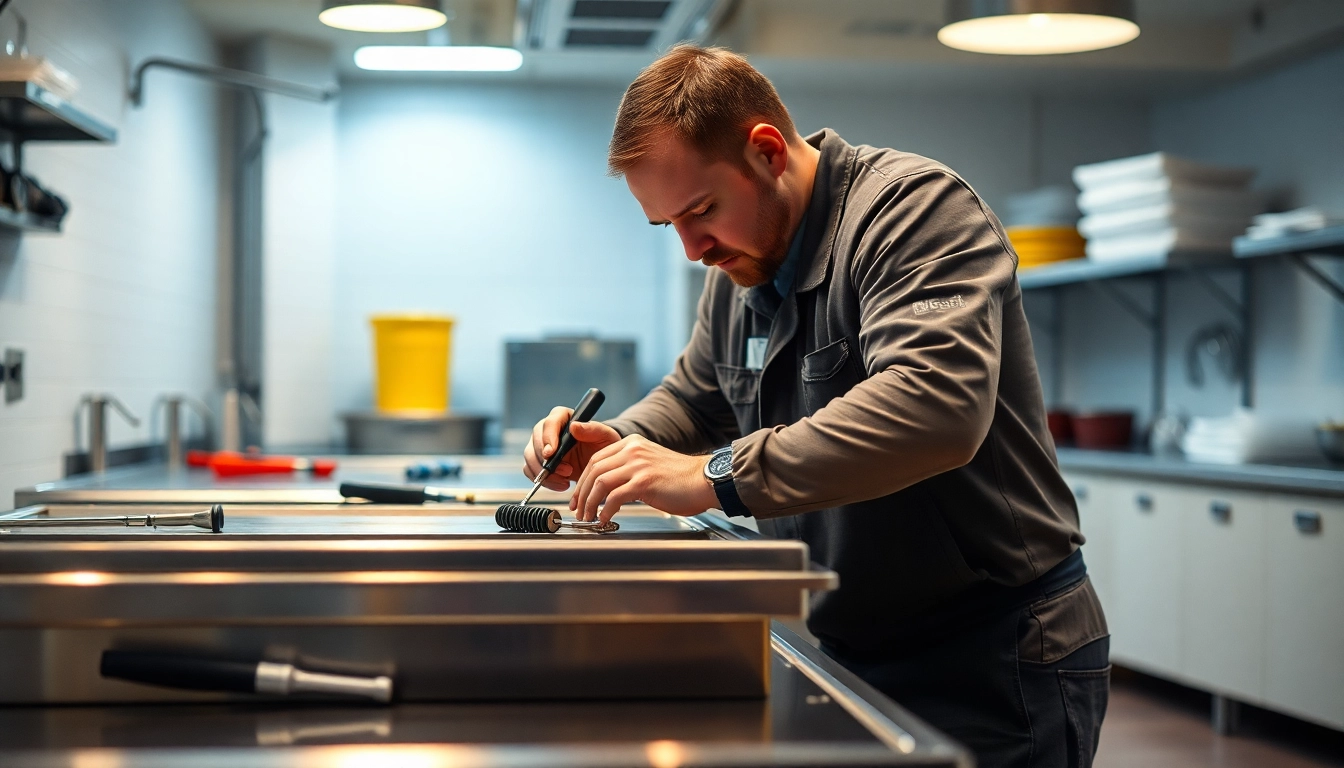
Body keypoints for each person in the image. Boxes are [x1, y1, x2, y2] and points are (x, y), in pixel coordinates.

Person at [522, 44, 1109, 768]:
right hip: (855, 646)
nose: (692, 249)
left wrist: (715, 476)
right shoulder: (737, 267)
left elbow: (934, 406)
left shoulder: (913, 211)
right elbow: (697, 394)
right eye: (667, 225)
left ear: (767, 150)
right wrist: (610, 439)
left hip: (995, 652)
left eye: (702, 211)